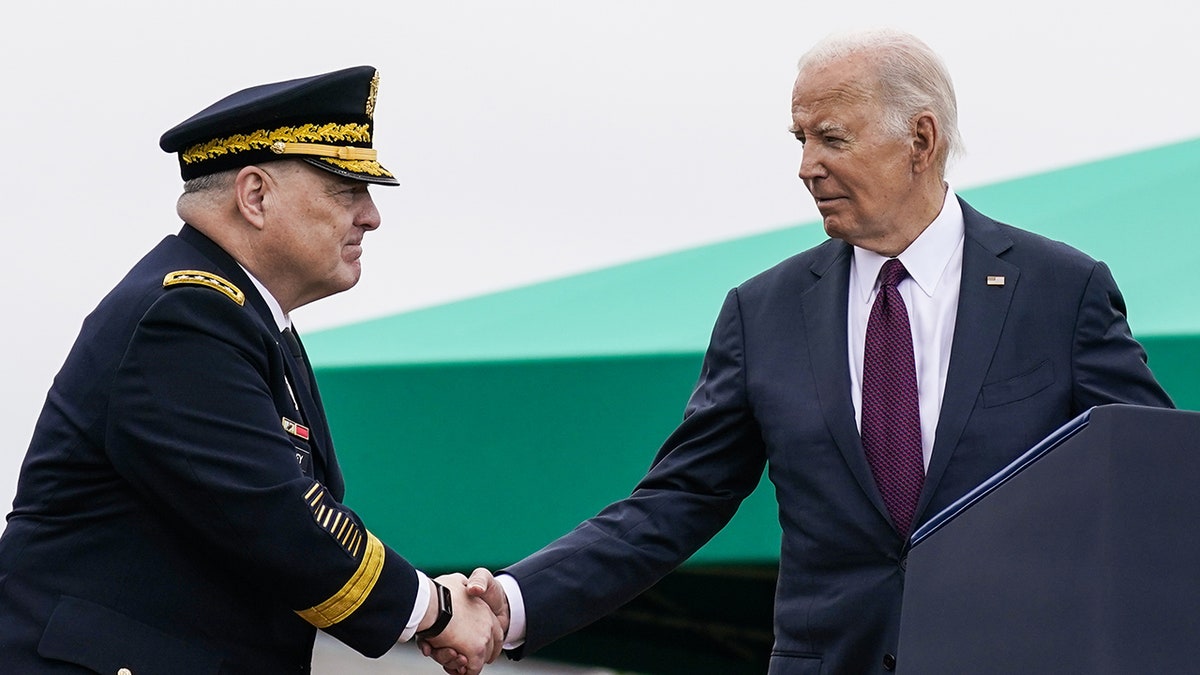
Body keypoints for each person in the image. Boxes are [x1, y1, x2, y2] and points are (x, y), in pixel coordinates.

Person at [426, 29, 1175, 675]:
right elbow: (676, 501)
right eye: (800, 139)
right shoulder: (763, 312)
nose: (806, 165)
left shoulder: (1059, 291)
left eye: (832, 138)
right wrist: (512, 602)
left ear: (921, 140)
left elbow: (1157, 488)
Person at [0, 66, 504, 674]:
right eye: (347, 189)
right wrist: (436, 609)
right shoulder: (183, 316)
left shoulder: (245, 320)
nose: (371, 216)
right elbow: (277, 515)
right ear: (256, 196)